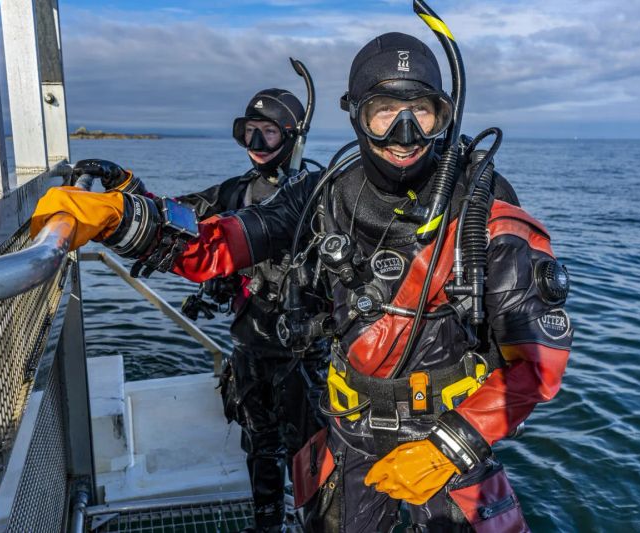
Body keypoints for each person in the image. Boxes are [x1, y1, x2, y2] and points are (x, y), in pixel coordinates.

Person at [32, 32, 573, 532]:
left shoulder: (480, 207)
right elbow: (219, 243)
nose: (405, 134)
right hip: (349, 436)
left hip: (448, 437)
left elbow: (538, 365)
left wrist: (453, 445)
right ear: (358, 116)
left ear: (443, 117)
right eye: (385, 112)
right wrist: (122, 218)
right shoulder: (324, 196)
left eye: (421, 112)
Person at [64, 89, 329, 533]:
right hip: (251, 340)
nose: (257, 144)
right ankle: (268, 525)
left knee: (312, 450)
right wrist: (124, 188)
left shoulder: (318, 194)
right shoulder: (235, 191)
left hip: (305, 351)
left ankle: (316, 524)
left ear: (293, 136)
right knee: (260, 440)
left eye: (268, 133)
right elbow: (175, 214)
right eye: (249, 132)